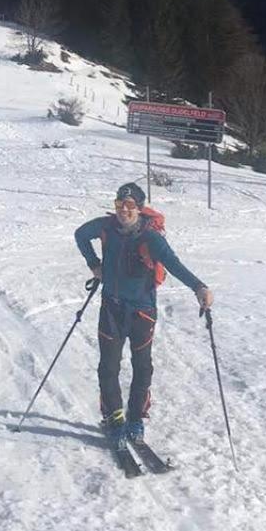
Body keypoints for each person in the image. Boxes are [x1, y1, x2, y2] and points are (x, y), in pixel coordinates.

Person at [74, 181, 212, 441]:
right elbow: (80, 235)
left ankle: (136, 419)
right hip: (111, 308)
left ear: (139, 208)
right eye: (119, 205)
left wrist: (199, 287)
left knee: (142, 367)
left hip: (143, 311)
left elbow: (174, 264)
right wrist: (94, 264)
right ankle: (114, 419)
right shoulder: (106, 227)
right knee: (108, 367)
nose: (123, 211)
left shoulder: (150, 237)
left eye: (129, 206)